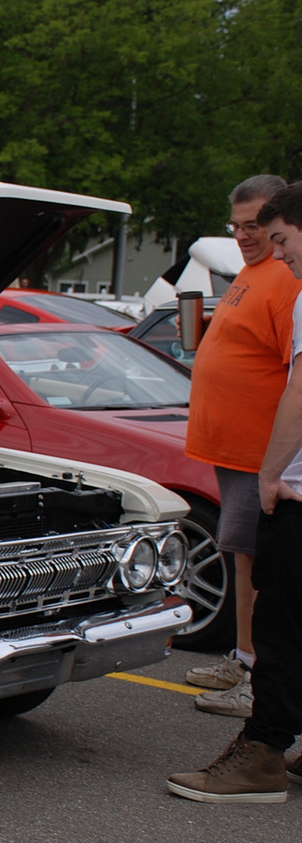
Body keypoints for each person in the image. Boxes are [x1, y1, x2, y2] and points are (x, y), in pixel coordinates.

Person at [167, 182, 302, 802]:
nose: (255, 240)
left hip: (271, 465)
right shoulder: (256, 277)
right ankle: (250, 671)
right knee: (257, 574)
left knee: (276, 601)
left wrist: (275, 469)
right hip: (248, 457)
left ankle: (261, 718)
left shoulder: (287, 283)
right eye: (243, 227)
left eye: (270, 233)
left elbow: (296, 380)